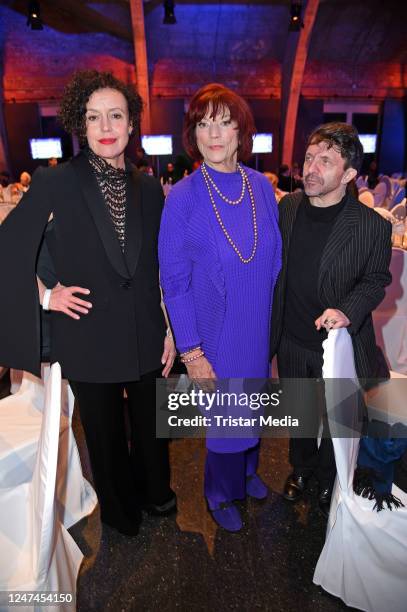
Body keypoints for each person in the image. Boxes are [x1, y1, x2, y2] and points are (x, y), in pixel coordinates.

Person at [0, 70, 176, 536]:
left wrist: (172, 329)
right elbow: (9, 245)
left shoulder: (150, 188)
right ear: (80, 125)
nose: (105, 126)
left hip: (145, 330)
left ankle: (156, 493)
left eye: (115, 115)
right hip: (88, 330)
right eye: (93, 117)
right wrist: (45, 295)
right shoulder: (56, 182)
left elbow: (162, 265)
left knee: (151, 425)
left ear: (131, 123)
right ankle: (120, 513)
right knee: (104, 435)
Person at [159, 83, 282, 532]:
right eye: (203, 124)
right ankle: (217, 491)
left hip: (257, 325)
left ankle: (248, 471)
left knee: (253, 406)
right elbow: (174, 283)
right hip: (216, 331)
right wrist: (191, 351)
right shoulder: (184, 198)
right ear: (194, 133)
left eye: (224, 123)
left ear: (240, 131)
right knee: (227, 417)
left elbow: (274, 259)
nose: (213, 134)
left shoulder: (261, 188)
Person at [270, 122, 392, 517]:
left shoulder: (373, 226)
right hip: (291, 338)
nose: (311, 168)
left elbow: (377, 279)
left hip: (338, 344)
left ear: (350, 174)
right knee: (301, 413)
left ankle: (328, 475)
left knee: (337, 417)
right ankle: (301, 470)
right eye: (309, 158)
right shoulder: (287, 208)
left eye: (326, 161)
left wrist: (348, 311)